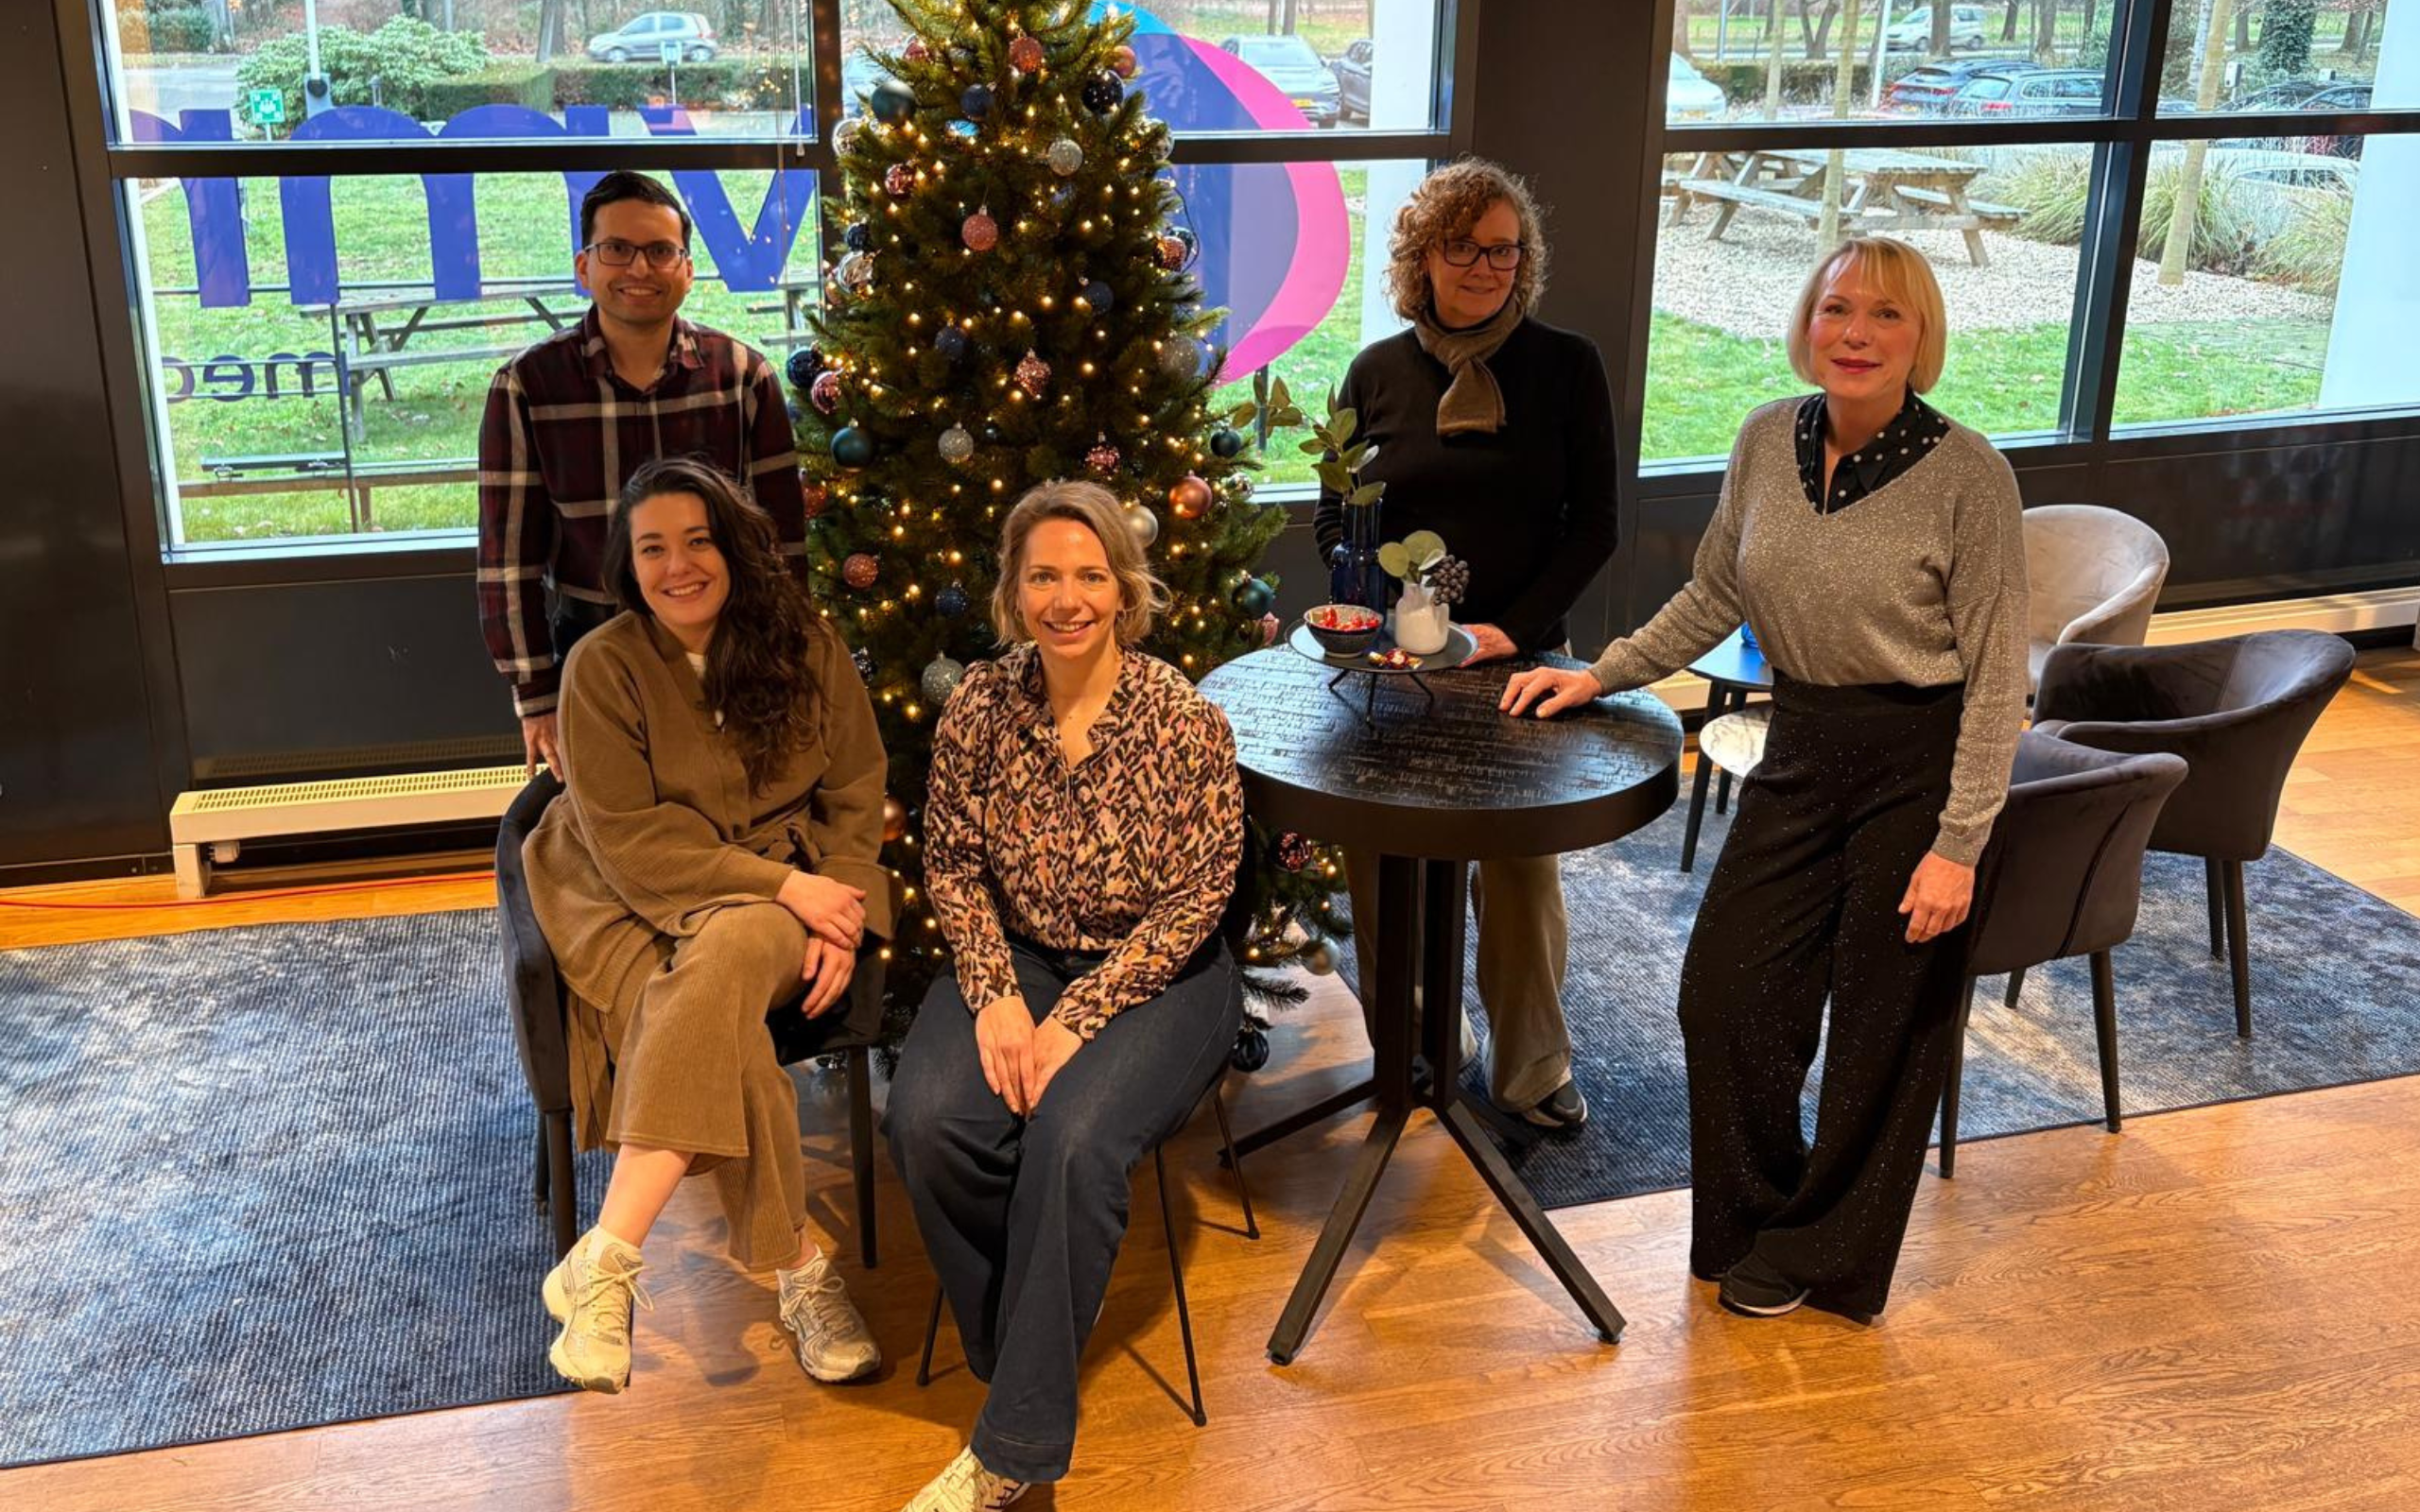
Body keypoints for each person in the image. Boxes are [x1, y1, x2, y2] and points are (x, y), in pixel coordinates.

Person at [1504, 236, 2029, 1324]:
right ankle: (1756, 1212)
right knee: (1726, 994)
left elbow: (1995, 679)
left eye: (1885, 315)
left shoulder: (1968, 475)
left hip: (1918, 761)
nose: (1855, 334)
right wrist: (1598, 673)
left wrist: (1960, 842)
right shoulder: (1763, 438)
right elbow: (1714, 594)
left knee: (1881, 1031)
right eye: (1837, 309)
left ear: (1921, 337)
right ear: (1806, 323)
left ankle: (1826, 1256)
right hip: (1801, 744)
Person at [885, 480, 1245, 1512]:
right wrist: (999, 995)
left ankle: (1012, 1448)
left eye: (1090, 575)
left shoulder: (1183, 720)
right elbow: (951, 863)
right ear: (1014, 591)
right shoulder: (980, 705)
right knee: (927, 1120)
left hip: (1163, 974)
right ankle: (1021, 1364)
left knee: (1075, 1139)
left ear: (1125, 590)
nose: (1067, 598)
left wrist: (1077, 1021)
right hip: (1022, 956)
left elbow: (1198, 901)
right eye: (1043, 575)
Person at [522, 456, 891, 1394]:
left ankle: (608, 1253)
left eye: (697, 541)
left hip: (782, 895)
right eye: (653, 549)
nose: (678, 566)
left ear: (732, 548)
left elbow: (856, 786)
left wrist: (840, 904)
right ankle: (801, 1271)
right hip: (617, 892)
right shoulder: (601, 666)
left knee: (726, 949)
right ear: (627, 566)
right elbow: (632, 840)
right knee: (731, 1045)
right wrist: (787, 886)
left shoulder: (804, 644)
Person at [1311, 157, 1618, 1130]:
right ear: (1423, 256)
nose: (1486, 267)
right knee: (1381, 856)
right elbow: (1334, 518)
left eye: (1503, 250)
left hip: (1523, 659)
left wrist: (1508, 631)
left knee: (1520, 864)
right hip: (1397, 661)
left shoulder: (1567, 366)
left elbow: (1594, 527)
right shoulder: (1374, 373)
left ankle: (1531, 1066)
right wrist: (1374, 604)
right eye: (1464, 248)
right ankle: (1417, 1047)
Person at [479, 169, 809, 776]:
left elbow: (781, 543)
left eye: (660, 251)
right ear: (584, 267)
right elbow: (508, 559)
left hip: (725, 646)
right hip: (591, 644)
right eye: (617, 249)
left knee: (734, 801)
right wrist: (537, 694)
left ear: (687, 270)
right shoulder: (528, 386)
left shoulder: (742, 378)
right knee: (612, 815)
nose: (639, 268)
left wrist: (785, 656)